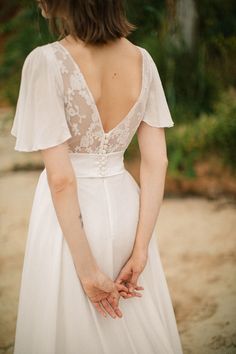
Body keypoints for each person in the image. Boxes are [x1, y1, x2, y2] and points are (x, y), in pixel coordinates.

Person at [11, 0, 183, 353]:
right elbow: (157, 161)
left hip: (69, 222)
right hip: (127, 210)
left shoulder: (46, 62)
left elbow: (62, 179)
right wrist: (141, 250)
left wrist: (88, 272)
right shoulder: (143, 60)